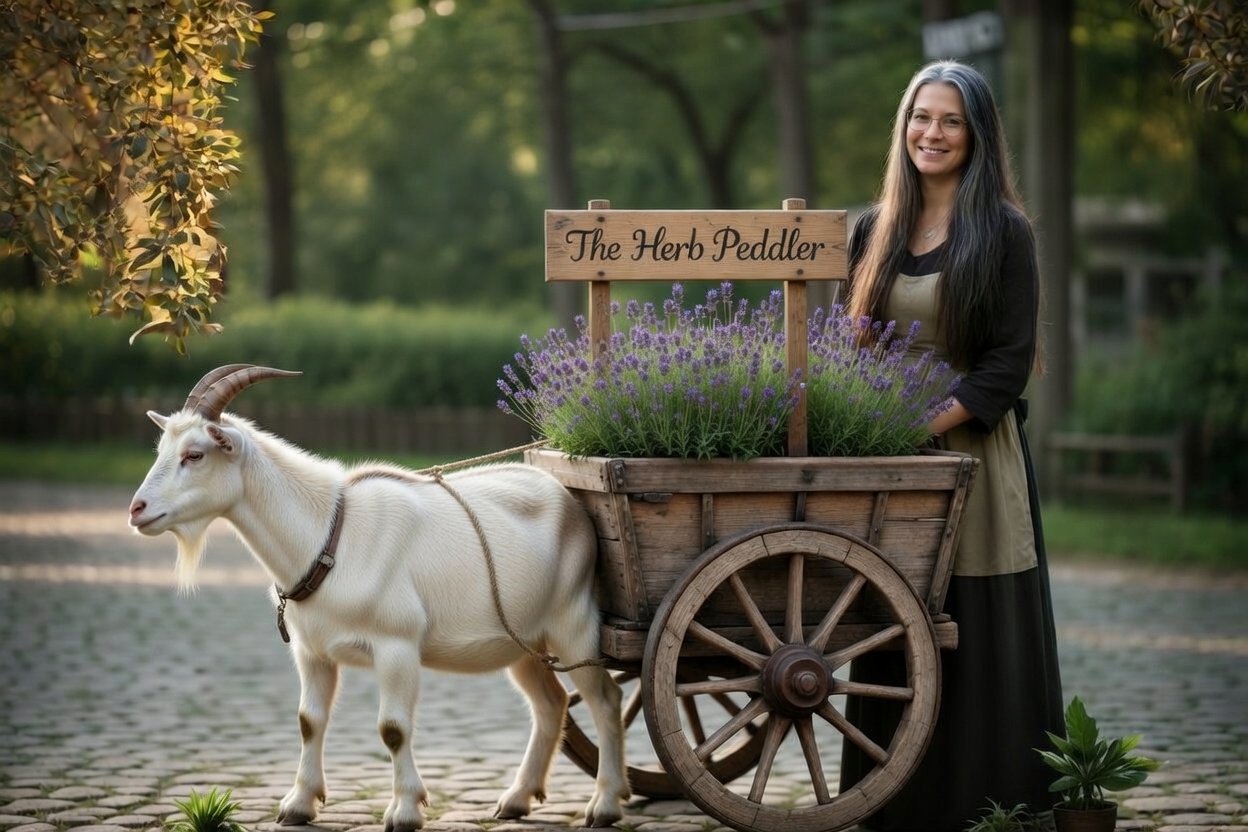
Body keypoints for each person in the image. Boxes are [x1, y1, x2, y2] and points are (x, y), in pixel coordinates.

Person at [837, 60, 1065, 831]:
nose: (931, 133)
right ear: (904, 128)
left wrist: (920, 425)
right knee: (892, 614)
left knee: (973, 615)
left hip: (969, 453)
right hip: (887, 460)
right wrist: (852, 349)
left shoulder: (1004, 232)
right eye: (920, 118)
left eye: (950, 121)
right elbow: (850, 347)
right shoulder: (873, 231)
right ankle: (894, 801)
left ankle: (991, 804)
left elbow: (1006, 364)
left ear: (976, 135)